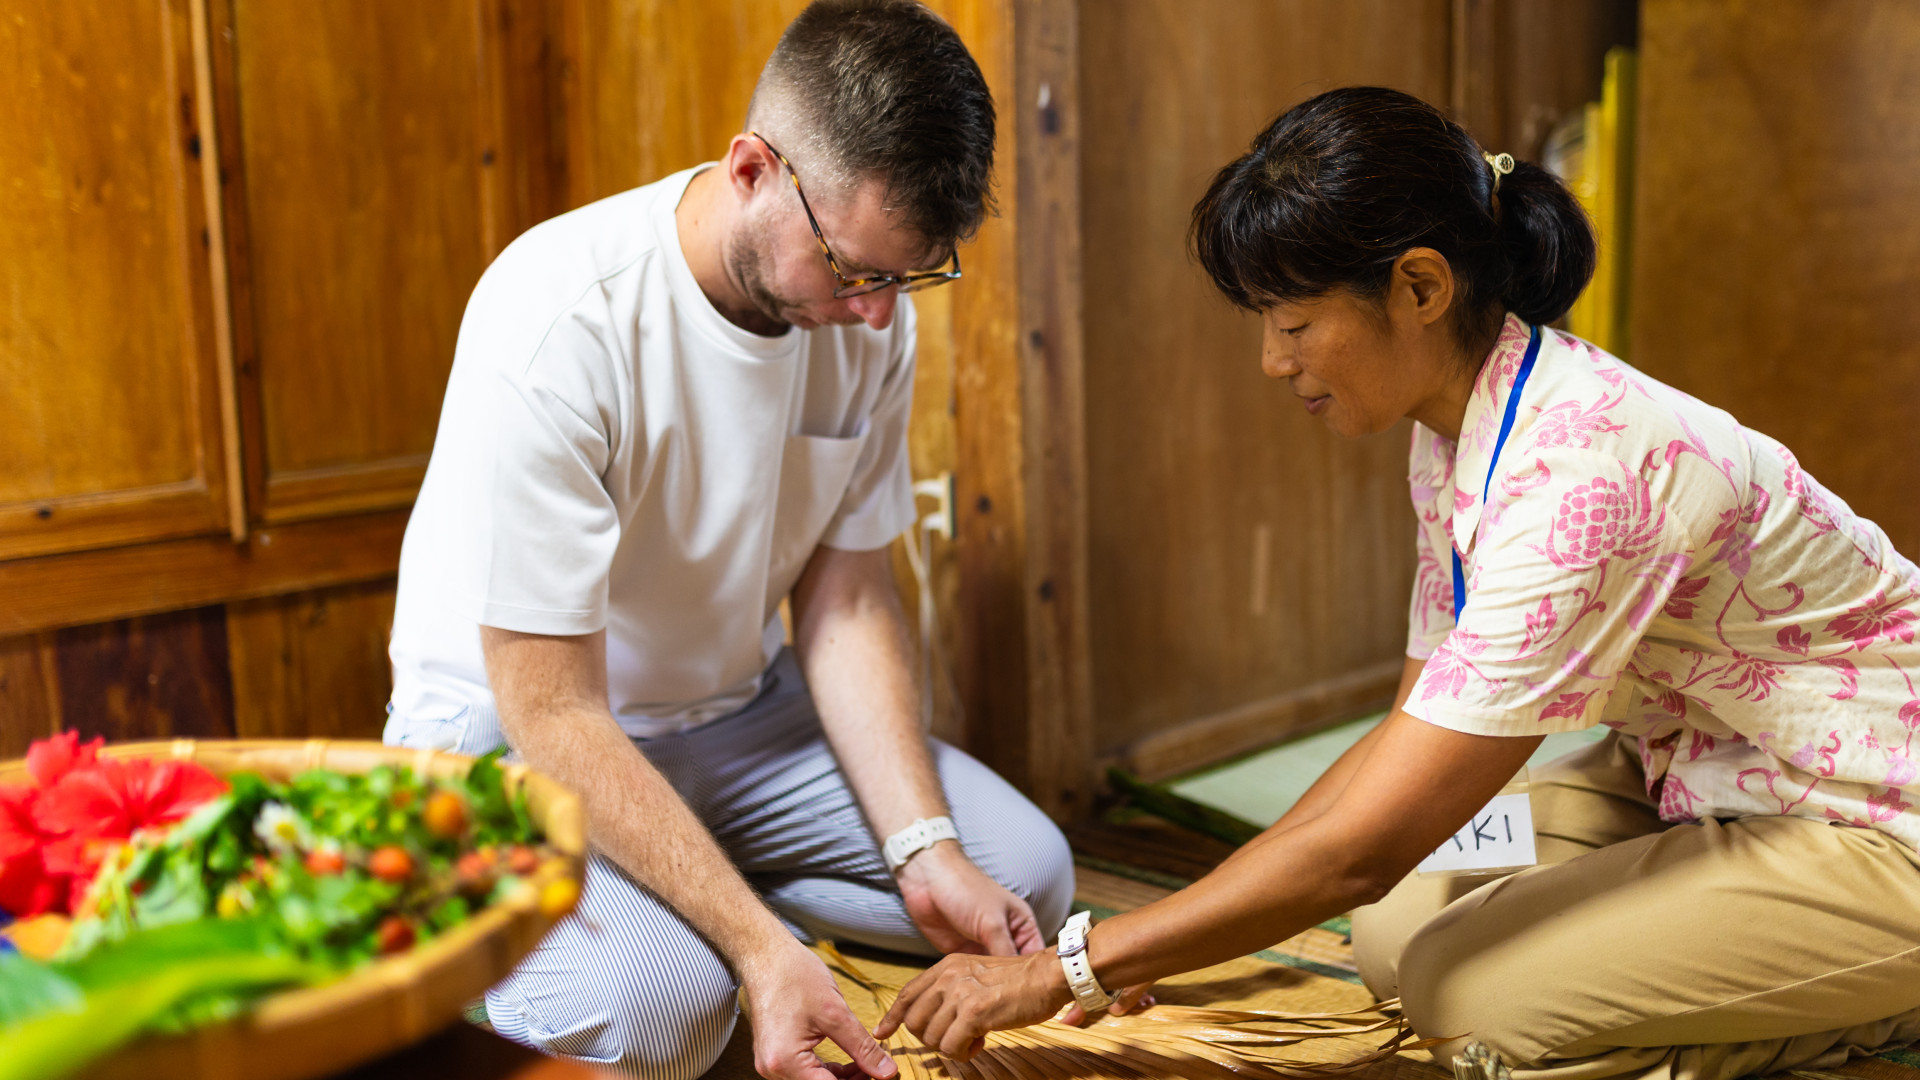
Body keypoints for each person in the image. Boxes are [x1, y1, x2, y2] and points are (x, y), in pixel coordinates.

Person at [877, 85, 1920, 1080]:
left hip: (1872, 821)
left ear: (1420, 287)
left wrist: (1073, 968)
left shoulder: (1586, 477)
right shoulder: (1462, 421)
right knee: (1396, 922)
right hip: (1698, 776)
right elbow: (1403, 745)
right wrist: (1153, 936)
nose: (1273, 361)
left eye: (1293, 325)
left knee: (1469, 999)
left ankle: (1871, 997)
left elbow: (1356, 849)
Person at [382, 3, 1075, 1077]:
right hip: (518, 741)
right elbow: (552, 709)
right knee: (670, 1015)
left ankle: (693, 895)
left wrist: (924, 848)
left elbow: (846, 597)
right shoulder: (560, 315)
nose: (880, 314)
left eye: (908, 277)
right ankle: (652, 924)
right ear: (753, 169)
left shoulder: (868, 315)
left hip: (743, 721)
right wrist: (758, 951)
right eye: (856, 270)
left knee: (1026, 877)